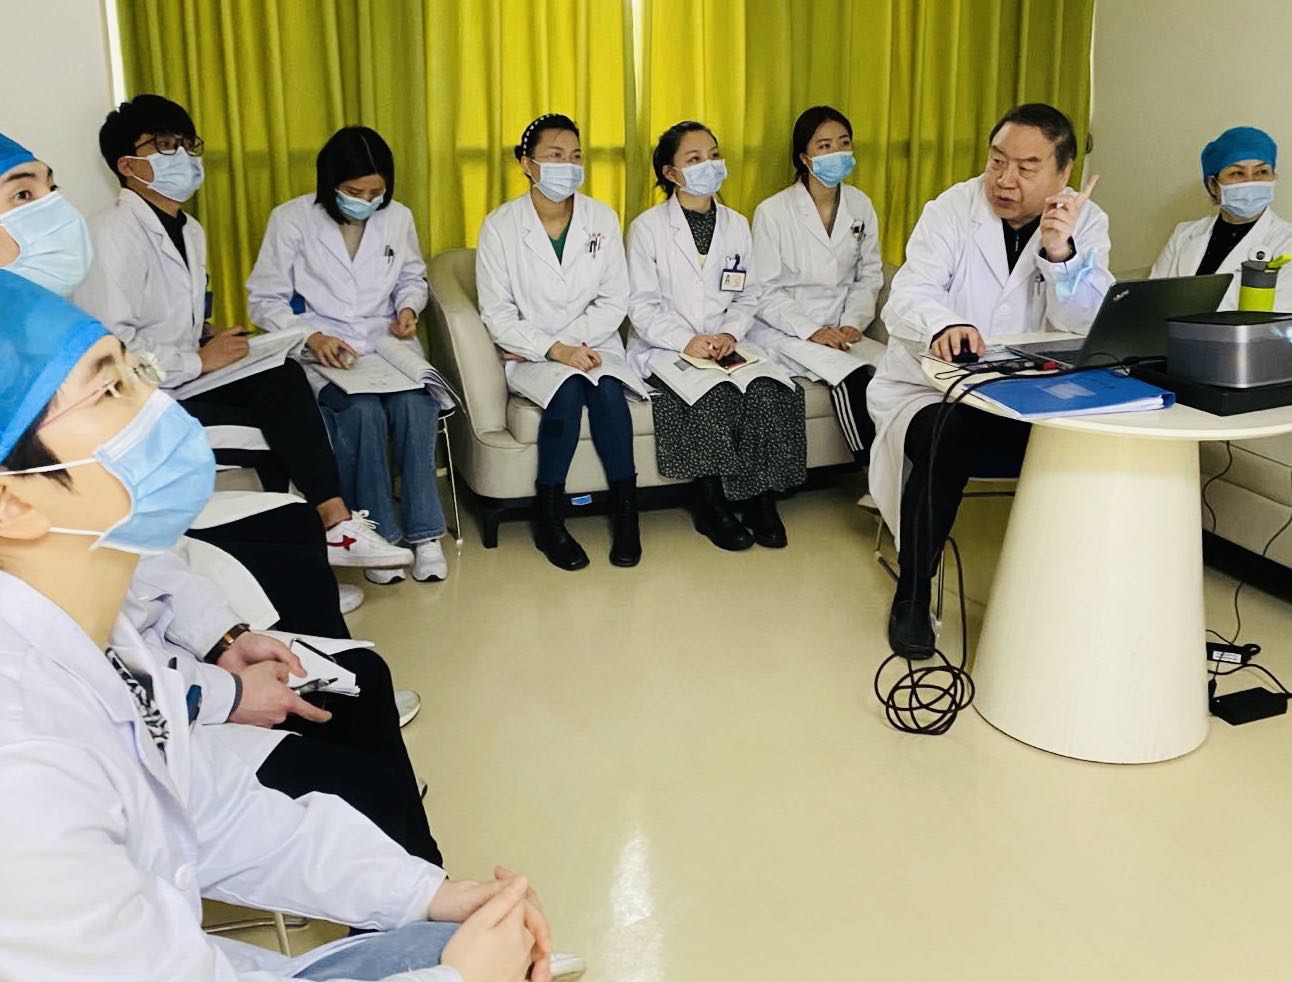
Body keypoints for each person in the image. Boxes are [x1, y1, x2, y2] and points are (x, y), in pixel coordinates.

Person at [0, 272, 570, 980]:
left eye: (137, 371)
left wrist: (425, 894)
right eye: (110, 389)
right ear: (12, 502)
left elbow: (219, 813)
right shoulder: (22, 762)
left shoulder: (96, 644)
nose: (156, 407)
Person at [0, 128, 432, 830]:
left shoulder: (58, 314)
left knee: (308, 476)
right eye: (23, 195)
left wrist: (223, 636)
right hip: (144, 719)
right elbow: (93, 644)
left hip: (158, 622)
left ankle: (340, 544)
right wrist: (219, 687)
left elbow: (134, 557)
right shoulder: (61, 330)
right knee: (317, 409)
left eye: (50, 187)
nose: (52, 209)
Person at [74, 94, 410, 572]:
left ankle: (319, 546)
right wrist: (199, 360)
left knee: (281, 376)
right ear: (127, 165)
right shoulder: (112, 234)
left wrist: (208, 337)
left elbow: (168, 317)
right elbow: (109, 350)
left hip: (181, 373)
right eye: (165, 145)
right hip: (139, 398)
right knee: (280, 419)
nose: (183, 156)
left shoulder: (188, 229)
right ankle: (322, 539)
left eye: (187, 143)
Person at [868, 103, 1112, 655]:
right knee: (950, 432)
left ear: (1063, 174)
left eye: (1026, 168)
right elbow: (909, 293)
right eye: (997, 160)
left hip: (1028, 395)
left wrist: (1060, 253)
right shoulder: (952, 209)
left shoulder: (1086, 222)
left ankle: (1068, 596)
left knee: (1093, 442)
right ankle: (913, 592)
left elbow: (1087, 323)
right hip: (930, 390)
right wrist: (944, 324)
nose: (1004, 179)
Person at [248, 126, 449, 585]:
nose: (366, 201)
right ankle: (378, 534)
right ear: (330, 183)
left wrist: (408, 309)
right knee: (362, 413)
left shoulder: (398, 217)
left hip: (387, 346)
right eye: (355, 192)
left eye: (375, 193)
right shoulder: (291, 220)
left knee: (416, 406)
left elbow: (412, 277)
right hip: (327, 351)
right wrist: (312, 337)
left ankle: (424, 535)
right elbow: (265, 300)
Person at [626, 120, 806, 551]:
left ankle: (761, 499)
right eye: (695, 158)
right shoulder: (648, 228)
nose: (709, 164)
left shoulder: (737, 224)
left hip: (728, 343)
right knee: (710, 394)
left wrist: (729, 332)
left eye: (713, 155)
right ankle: (710, 502)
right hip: (667, 345)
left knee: (769, 389)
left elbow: (749, 294)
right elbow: (640, 304)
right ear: (671, 173)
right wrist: (685, 341)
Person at [476, 114, 643, 571]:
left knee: (607, 392)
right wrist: (553, 350)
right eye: (554, 156)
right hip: (534, 352)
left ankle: (627, 515)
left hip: (593, 343)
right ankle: (549, 519)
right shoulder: (500, 227)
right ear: (526, 163)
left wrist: (571, 347)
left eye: (575, 156)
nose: (567, 166)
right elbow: (497, 313)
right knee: (566, 393)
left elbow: (615, 298)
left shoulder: (601, 218)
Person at [748, 105, 885, 461]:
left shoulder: (860, 205)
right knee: (849, 376)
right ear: (804, 158)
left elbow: (869, 275)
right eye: (824, 146)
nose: (837, 152)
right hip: (789, 329)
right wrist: (811, 330)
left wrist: (853, 323)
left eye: (844, 143)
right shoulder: (773, 212)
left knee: (895, 370)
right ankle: (870, 469)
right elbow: (764, 290)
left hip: (843, 327)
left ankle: (905, 462)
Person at [1150, 126, 1292, 309]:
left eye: (1261, 172)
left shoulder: (1286, 242)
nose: (1251, 181)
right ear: (1213, 185)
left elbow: (1280, 316)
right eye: (1237, 173)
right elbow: (1153, 301)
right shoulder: (1183, 235)